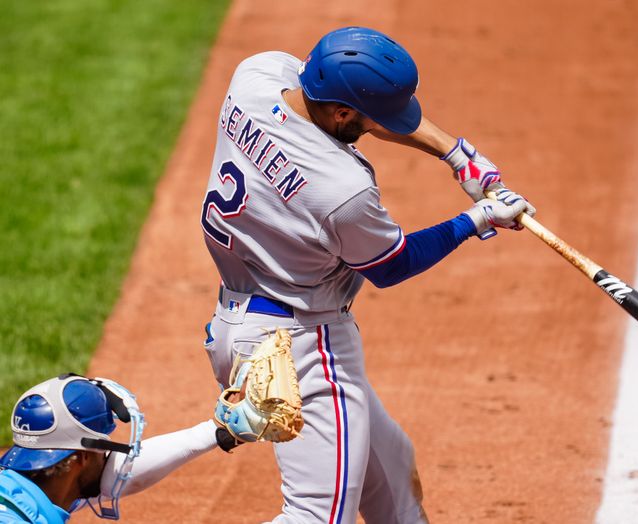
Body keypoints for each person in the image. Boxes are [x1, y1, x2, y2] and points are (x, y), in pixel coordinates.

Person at [200, 26, 535, 523]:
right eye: (372, 116)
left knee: (391, 475)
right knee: (316, 515)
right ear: (341, 113)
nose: (383, 123)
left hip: (242, 321)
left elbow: (343, 104)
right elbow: (391, 264)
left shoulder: (257, 77)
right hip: (301, 343)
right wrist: (478, 220)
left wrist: (456, 155)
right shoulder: (342, 191)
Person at [0, 374, 238, 522]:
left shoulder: (24, 492)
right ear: (80, 457)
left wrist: (216, 433)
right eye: (103, 451)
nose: (107, 460)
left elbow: (117, 477)